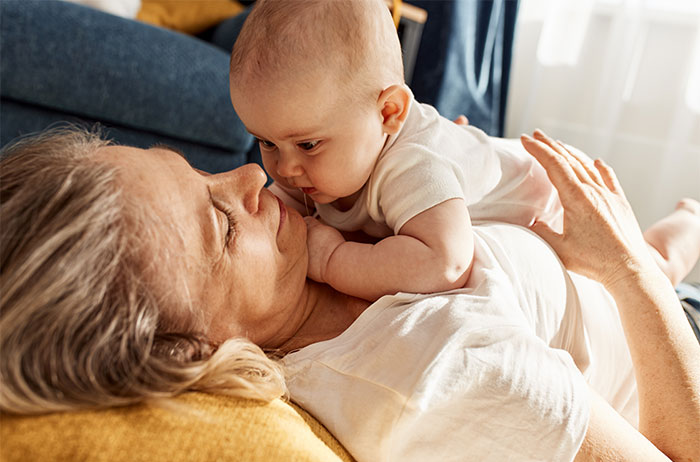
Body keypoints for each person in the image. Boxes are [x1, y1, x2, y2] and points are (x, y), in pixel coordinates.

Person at [1, 126, 699, 462]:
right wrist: (633, 269)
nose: (250, 175)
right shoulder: (432, 370)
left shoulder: (314, 245)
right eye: (219, 225)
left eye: (198, 172)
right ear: (192, 349)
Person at [228, 0, 696, 301]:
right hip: (480, 160)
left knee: (647, 273)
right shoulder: (320, 155)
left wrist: (335, 261)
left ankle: (687, 226)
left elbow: (445, 262)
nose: (284, 167)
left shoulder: (412, 166)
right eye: (266, 142)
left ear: (389, 113)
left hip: (554, 198)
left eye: (308, 144)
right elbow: (284, 219)